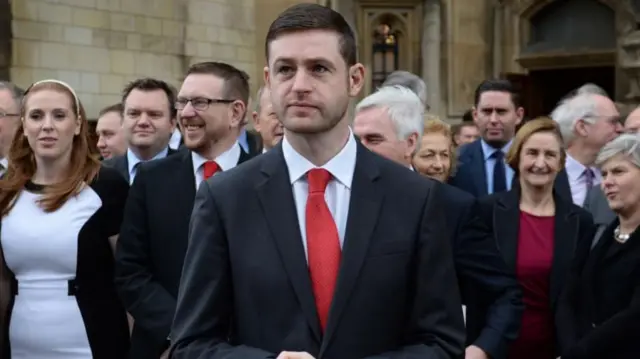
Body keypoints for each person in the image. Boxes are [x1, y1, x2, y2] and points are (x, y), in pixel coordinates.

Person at [169, 4, 465, 359]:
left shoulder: (413, 197)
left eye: (319, 69)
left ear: (355, 79)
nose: (299, 85)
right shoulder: (225, 198)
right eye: (285, 70)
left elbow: (443, 343)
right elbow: (191, 344)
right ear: (268, 80)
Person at [0, 80, 130, 358]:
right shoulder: (5, 191)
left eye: (59, 115)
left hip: (93, 341)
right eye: (36, 116)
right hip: (20, 341)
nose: (47, 125)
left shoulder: (105, 186)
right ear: (23, 125)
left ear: (79, 123)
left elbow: (129, 275)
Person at [476, 118, 594, 359]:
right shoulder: (488, 211)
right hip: (494, 348)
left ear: (561, 163)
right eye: (532, 153)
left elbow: (578, 295)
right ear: (517, 158)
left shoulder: (579, 221)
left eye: (550, 155)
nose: (540, 163)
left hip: (555, 349)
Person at [557, 134, 640, 359]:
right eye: (604, 174)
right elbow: (568, 298)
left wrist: (580, 352)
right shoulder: (597, 233)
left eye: (618, 172)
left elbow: (635, 315)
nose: (607, 182)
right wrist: (570, 348)